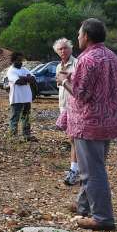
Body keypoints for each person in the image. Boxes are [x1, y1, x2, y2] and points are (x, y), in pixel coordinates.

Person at [57, 18, 117, 231]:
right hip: (108, 121)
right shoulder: (111, 56)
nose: (77, 37)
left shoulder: (87, 59)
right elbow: (99, 85)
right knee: (95, 167)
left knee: (92, 172)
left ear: (86, 36)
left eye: (79, 34)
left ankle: (102, 217)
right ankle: (83, 206)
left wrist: (63, 81)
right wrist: (73, 76)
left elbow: (82, 94)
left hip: (89, 123)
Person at [53, 38, 79, 185]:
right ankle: (75, 168)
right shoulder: (58, 66)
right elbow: (60, 86)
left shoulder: (76, 64)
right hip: (63, 105)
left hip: (75, 105)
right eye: (60, 49)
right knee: (71, 138)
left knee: (74, 138)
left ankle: (74, 169)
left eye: (65, 48)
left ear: (70, 49)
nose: (63, 51)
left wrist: (65, 80)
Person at [6, 52, 37, 141]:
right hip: (17, 98)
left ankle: (26, 136)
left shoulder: (24, 69)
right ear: (13, 60)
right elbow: (18, 82)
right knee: (15, 117)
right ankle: (13, 136)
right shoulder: (11, 71)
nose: (20, 62)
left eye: (21, 60)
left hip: (27, 98)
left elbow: (33, 79)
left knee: (26, 117)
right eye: (18, 60)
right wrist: (27, 79)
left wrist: (23, 78)